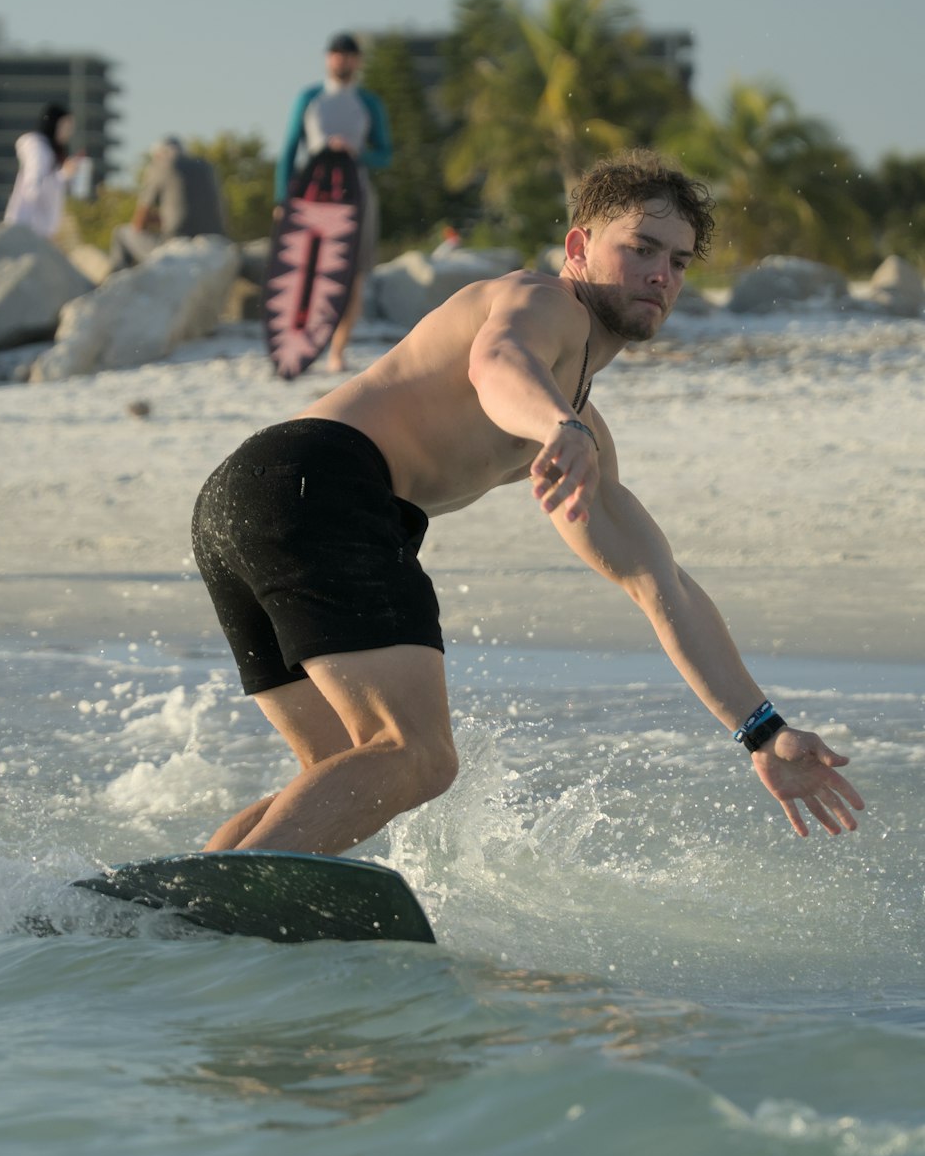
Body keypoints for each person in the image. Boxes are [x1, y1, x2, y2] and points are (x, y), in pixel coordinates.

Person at [192, 149, 864, 859]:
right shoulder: (545, 305)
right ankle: (228, 899)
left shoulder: (580, 427)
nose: (660, 274)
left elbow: (658, 584)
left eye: (679, 260)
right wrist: (557, 426)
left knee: (349, 774)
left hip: (248, 497)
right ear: (579, 247)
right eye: (640, 248)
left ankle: (180, 907)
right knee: (417, 755)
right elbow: (497, 362)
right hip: (320, 486)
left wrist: (762, 730)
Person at [274, 32, 393, 372]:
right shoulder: (310, 98)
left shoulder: (369, 103)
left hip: (356, 195)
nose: (342, 61)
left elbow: (386, 154)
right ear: (328, 59)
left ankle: (338, 350)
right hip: (313, 195)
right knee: (308, 271)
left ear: (357, 61)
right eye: (336, 54)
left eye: (349, 55)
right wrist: (282, 198)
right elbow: (288, 150)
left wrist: (359, 153)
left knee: (353, 274)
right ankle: (305, 344)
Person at [109, 136, 227, 273]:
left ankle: (116, 285)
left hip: (176, 246)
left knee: (121, 234)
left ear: (159, 155)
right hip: (216, 243)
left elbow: (139, 223)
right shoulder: (206, 167)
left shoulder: (161, 166)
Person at [4, 102, 79, 239]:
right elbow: (33, 186)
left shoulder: (51, 151)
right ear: (55, 124)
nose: (69, 132)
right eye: (66, 126)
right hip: (27, 228)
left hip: (38, 231)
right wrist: (63, 175)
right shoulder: (38, 149)